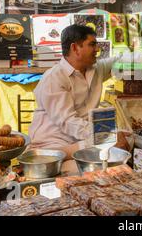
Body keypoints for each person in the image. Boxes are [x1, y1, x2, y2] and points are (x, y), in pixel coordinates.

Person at [28, 25, 129, 174]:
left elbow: (119, 60)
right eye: (92, 45)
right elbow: (68, 122)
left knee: (129, 138)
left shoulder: (95, 69)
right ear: (75, 48)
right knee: (92, 171)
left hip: (82, 141)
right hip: (53, 145)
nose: (97, 50)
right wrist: (107, 136)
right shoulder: (54, 78)